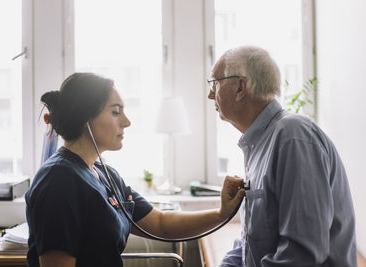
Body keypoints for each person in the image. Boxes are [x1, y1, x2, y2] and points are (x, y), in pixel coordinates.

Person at [25, 72, 245, 267]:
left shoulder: (104, 174)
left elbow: (160, 224)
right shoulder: (58, 181)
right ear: (85, 117)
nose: (127, 122)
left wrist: (221, 214)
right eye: (115, 111)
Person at [207, 46, 357, 267]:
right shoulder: (260, 144)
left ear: (240, 87)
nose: (211, 94)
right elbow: (251, 242)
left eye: (215, 83)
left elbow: (302, 254)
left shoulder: (292, 137)